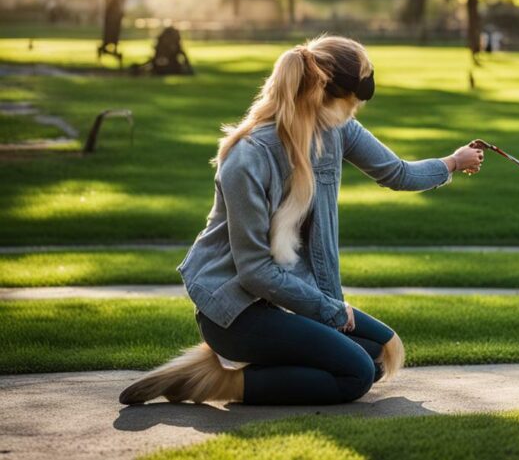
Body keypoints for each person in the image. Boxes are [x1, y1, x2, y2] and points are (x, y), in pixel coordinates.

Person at [120, 35, 484, 406]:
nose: (360, 103)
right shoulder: (249, 157)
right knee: (355, 374)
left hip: (290, 299)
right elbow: (254, 271)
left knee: (374, 356)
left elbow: (397, 173)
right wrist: (330, 310)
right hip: (238, 312)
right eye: (360, 90)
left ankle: (231, 371)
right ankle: (217, 381)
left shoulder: (337, 131)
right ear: (332, 90)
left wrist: (453, 161)